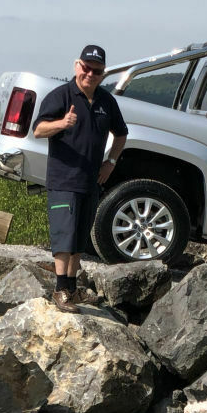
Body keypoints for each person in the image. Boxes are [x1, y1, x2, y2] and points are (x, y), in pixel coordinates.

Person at [33, 44, 128, 313]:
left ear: (102, 73)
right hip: (63, 180)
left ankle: (72, 290)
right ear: (77, 66)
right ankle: (60, 291)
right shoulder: (61, 96)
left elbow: (121, 134)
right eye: (86, 68)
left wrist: (110, 162)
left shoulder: (106, 101)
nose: (90, 74)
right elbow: (38, 130)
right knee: (64, 236)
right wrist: (62, 124)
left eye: (96, 71)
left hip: (91, 181)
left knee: (78, 239)